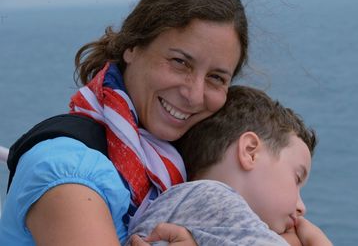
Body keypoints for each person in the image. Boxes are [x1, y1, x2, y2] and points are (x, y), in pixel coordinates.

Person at [0, 0, 248, 245]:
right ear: (132, 47)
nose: (194, 94)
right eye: (180, 62)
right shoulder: (68, 173)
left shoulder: (174, 163)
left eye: (216, 78)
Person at [127, 85, 333, 246]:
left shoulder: (181, 202)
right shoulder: (215, 198)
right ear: (250, 151)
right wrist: (316, 241)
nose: (301, 207)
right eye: (297, 178)